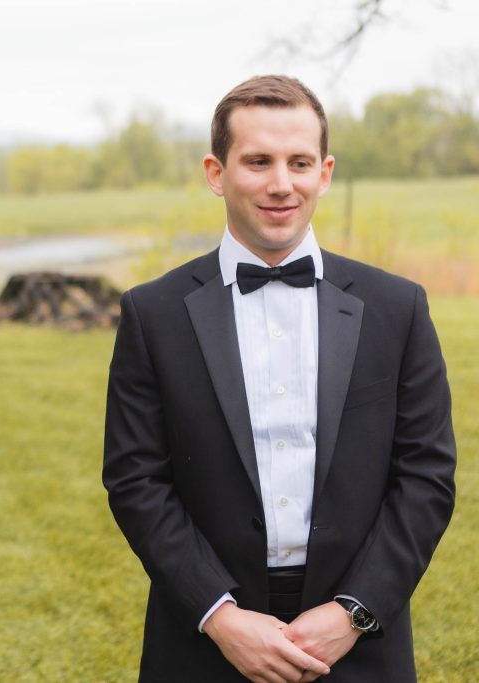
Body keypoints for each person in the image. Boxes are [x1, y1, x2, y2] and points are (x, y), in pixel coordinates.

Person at [103, 75, 455, 682]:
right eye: (258, 161)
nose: (281, 184)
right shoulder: (152, 314)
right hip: (205, 635)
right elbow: (136, 478)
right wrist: (219, 614)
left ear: (325, 172)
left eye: (299, 162)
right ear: (216, 173)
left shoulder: (397, 308)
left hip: (360, 635)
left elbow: (426, 474)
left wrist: (356, 611)